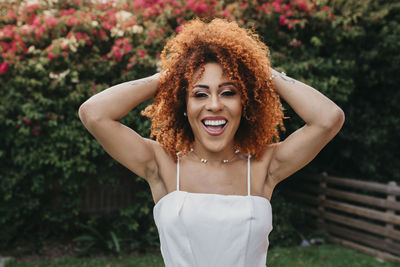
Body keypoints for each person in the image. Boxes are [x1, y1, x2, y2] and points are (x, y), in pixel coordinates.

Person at [78, 18, 344, 267]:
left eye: (228, 92)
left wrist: (260, 71)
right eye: (199, 94)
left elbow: (328, 119)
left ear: (244, 104)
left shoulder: (265, 166)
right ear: (183, 105)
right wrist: (170, 76)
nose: (214, 105)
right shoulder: (162, 164)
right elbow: (94, 113)